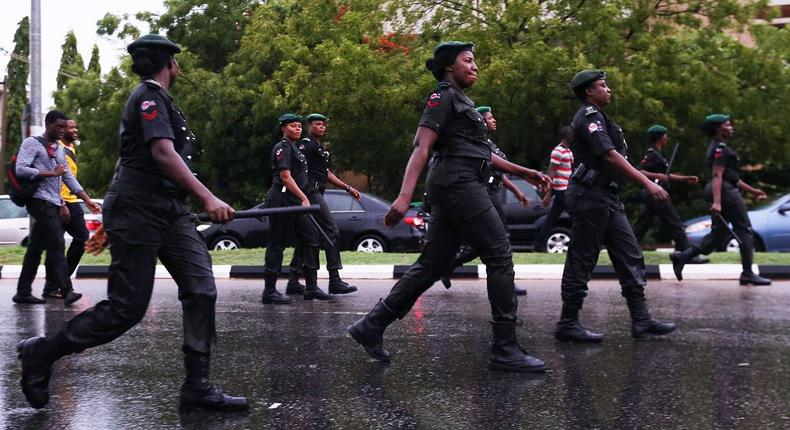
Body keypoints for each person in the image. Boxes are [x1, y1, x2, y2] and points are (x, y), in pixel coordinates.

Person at [17, 34, 248, 412]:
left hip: (168, 210)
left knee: (202, 289)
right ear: (170, 63)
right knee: (127, 308)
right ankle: (42, 352)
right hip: (140, 209)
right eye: (178, 62)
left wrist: (110, 216)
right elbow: (160, 152)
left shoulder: (161, 100)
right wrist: (208, 197)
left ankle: (197, 386)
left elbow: (127, 161)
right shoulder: (148, 96)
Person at [347, 41, 552, 373]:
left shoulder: (463, 102)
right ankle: (505, 348)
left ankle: (372, 325)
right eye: (467, 60)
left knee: (433, 264)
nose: (475, 66)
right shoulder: (442, 96)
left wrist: (526, 171)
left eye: (475, 61)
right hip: (458, 184)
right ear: (448, 67)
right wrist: (403, 196)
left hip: (458, 181)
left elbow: (482, 154)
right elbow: (421, 146)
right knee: (499, 253)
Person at [555, 70, 676, 343]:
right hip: (589, 196)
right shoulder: (588, 117)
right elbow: (609, 156)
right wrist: (648, 183)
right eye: (603, 85)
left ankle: (642, 320)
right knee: (582, 259)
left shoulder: (601, 117)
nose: (608, 90)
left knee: (630, 254)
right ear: (589, 91)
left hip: (607, 197)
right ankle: (568, 323)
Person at [438, 106, 529, 296]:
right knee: (500, 238)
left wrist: (517, 191)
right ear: (480, 121)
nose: (494, 120)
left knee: (486, 243)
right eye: (489, 118)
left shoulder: (488, 143)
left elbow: (499, 173)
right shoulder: (479, 144)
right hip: (485, 194)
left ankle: (448, 266)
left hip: (492, 192)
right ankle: (505, 284)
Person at [670, 115, 771, 286]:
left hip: (721, 189)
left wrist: (754, 191)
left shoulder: (717, 147)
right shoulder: (720, 148)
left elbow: (732, 178)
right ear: (718, 128)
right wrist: (717, 202)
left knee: (718, 233)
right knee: (744, 230)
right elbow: (717, 175)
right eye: (727, 124)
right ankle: (747, 273)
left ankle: (682, 257)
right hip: (724, 192)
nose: (731, 127)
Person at [12, 111, 100, 306]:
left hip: (53, 200)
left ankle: (23, 291)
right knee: (57, 242)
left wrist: (86, 200)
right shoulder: (31, 143)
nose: (61, 130)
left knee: (35, 247)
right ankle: (66, 290)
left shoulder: (57, 148)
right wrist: (52, 173)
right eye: (58, 127)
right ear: (48, 125)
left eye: (63, 127)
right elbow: (21, 169)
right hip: (38, 200)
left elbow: (67, 177)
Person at [285, 113, 361, 296]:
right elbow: (296, 167)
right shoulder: (306, 145)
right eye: (317, 124)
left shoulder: (320, 148)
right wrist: (300, 193)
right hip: (310, 193)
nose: (321, 127)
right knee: (331, 231)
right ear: (309, 126)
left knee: (308, 238)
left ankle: (294, 281)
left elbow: (325, 173)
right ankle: (334, 279)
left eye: (323, 125)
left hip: (318, 191)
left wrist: (347, 187)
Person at [262, 113, 334, 304]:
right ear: (283, 128)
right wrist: (304, 198)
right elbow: (285, 176)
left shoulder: (296, 150)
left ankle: (310, 287)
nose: (297, 129)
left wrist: (303, 197)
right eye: (293, 126)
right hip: (282, 200)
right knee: (277, 243)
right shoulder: (282, 148)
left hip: (295, 201)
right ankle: (269, 291)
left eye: (299, 126)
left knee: (311, 238)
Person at [632, 125, 707, 263]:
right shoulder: (651, 154)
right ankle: (686, 255)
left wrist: (685, 178)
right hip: (656, 195)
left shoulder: (660, 154)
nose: (667, 138)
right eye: (665, 135)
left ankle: (627, 252)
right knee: (675, 223)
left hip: (656, 195)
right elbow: (641, 172)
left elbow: (666, 176)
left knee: (641, 226)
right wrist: (659, 176)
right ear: (660, 137)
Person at [42, 119, 93, 299]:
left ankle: (58, 282)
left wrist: (86, 199)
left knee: (82, 239)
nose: (75, 130)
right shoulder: (57, 150)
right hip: (60, 202)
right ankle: (54, 286)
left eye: (74, 127)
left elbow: (70, 179)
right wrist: (61, 202)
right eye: (71, 128)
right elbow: (56, 179)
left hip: (73, 201)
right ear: (62, 131)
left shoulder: (70, 150)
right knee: (56, 245)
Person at [534, 126, 574, 253]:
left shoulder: (568, 150)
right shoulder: (558, 151)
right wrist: (548, 194)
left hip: (568, 189)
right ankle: (538, 245)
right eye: (572, 134)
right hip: (561, 190)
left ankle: (538, 244)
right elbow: (551, 173)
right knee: (556, 218)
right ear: (566, 136)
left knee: (556, 218)